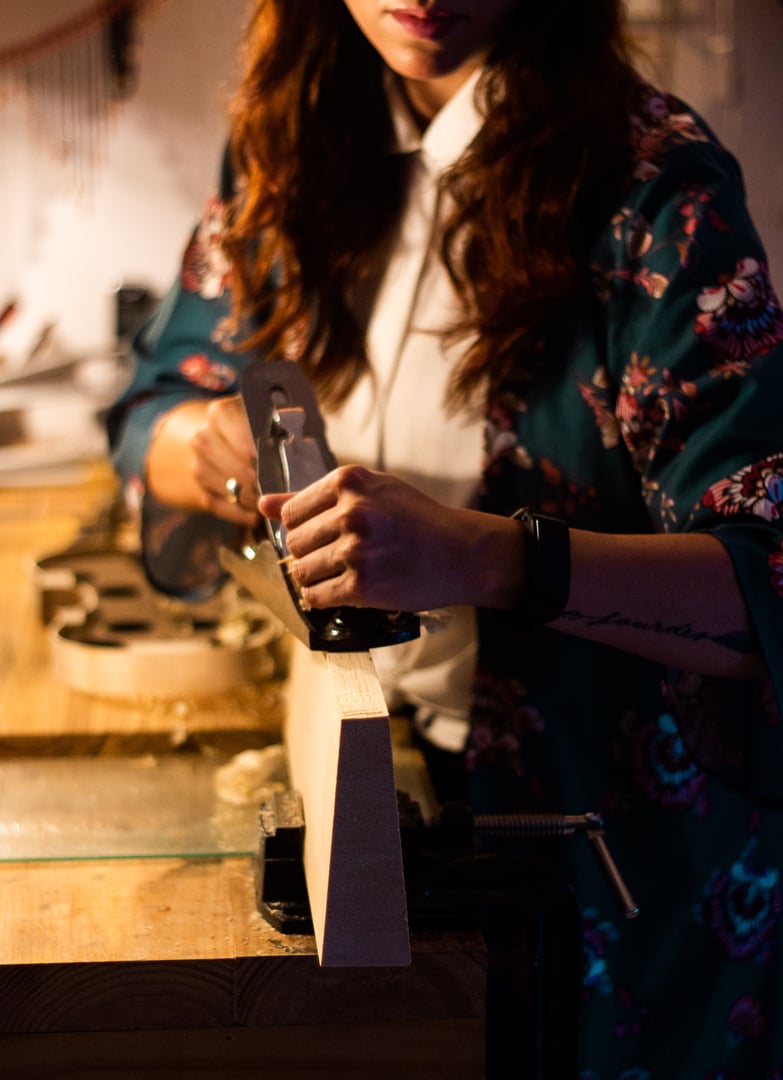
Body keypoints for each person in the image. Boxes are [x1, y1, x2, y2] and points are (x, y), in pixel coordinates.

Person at [107, 1, 783, 1076]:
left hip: (610, 870)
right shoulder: (291, 138)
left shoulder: (656, 186)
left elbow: (763, 580)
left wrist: (486, 556)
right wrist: (207, 444)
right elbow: (147, 407)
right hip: (391, 784)